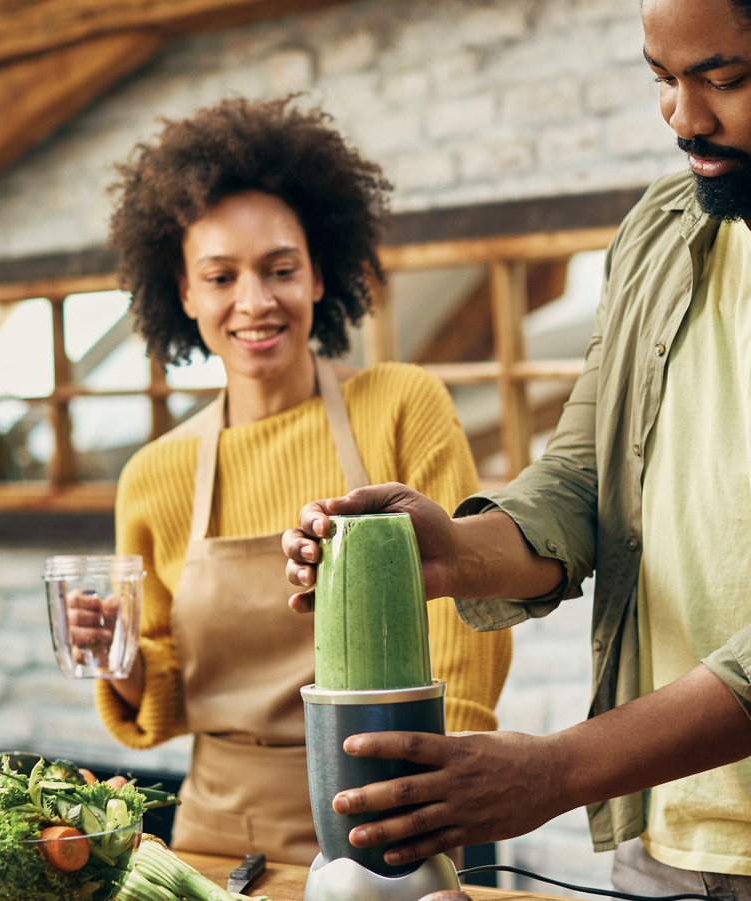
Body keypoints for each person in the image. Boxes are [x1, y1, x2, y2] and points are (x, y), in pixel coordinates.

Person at [282, 1, 751, 899]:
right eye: (663, 79)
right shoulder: (660, 227)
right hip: (669, 834)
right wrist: (454, 553)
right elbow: (585, 481)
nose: (683, 118)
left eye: (722, 80)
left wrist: (554, 772)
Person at [77, 96, 512, 866]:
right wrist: (123, 655)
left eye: (280, 269)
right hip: (214, 838)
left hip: (390, 812)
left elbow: (468, 614)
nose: (255, 301)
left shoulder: (402, 407)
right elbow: (170, 687)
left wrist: (443, 785)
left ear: (319, 275)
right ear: (183, 294)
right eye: (220, 277)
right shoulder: (155, 474)